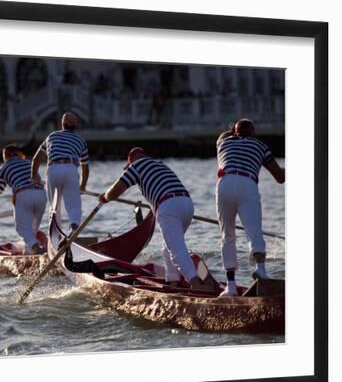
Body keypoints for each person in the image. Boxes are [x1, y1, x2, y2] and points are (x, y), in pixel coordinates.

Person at [98, 147, 205, 289]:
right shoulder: (160, 164)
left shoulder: (136, 166)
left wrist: (104, 197)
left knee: (176, 250)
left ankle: (197, 284)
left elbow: (115, 191)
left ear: (131, 162)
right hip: (186, 204)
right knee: (168, 247)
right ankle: (172, 282)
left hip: (168, 206)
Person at [216, 118, 285, 296]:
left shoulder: (223, 142)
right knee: (254, 230)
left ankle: (230, 286)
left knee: (227, 234)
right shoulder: (260, 146)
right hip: (248, 183)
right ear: (253, 133)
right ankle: (260, 269)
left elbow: (222, 136)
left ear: (234, 132)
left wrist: (231, 132)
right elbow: (279, 177)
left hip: (225, 183)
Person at [31, 112, 89, 232]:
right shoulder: (81, 141)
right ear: (75, 126)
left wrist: (34, 175)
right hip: (71, 168)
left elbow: (36, 158)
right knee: (74, 205)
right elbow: (85, 168)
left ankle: (55, 235)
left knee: (54, 206)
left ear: (62, 124)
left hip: (53, 169)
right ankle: (73, 228)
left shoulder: (51, 136)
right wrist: (82, 186)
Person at [0, 145, 47, 254]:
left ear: (6, 156)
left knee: (21, 229)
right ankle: (29, 252)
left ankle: (36, 247)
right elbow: (38, 181)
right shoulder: (29, 163)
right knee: (32, 230)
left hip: (23, 194)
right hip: (41, 194)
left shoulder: (3, 169)